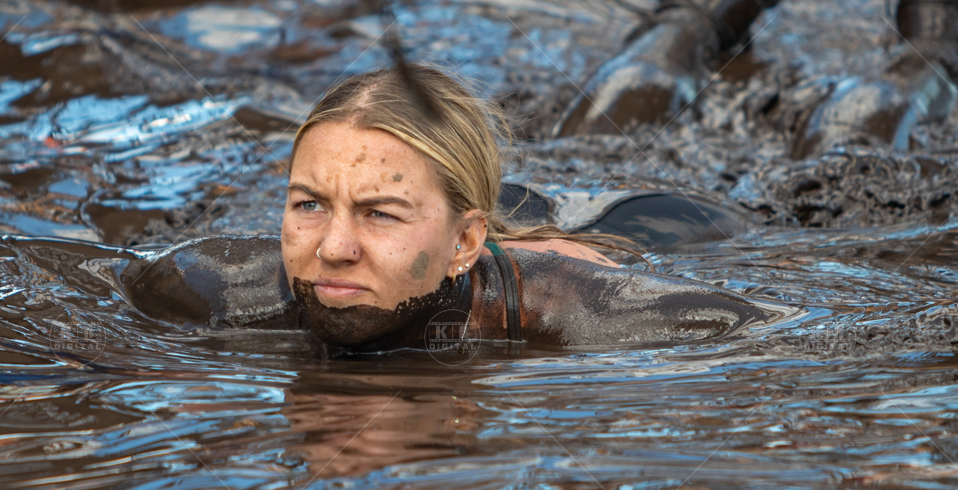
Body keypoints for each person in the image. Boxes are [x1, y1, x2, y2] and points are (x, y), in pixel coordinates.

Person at [123, 66, 781, 351]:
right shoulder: (210, 287)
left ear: (466, 245)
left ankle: (711, 1)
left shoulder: (582, 308)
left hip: (633, 218)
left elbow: (790, 334)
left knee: (621, 140)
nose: (333, 247)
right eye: (310, 204)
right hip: (454, 197)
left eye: (378, 214)